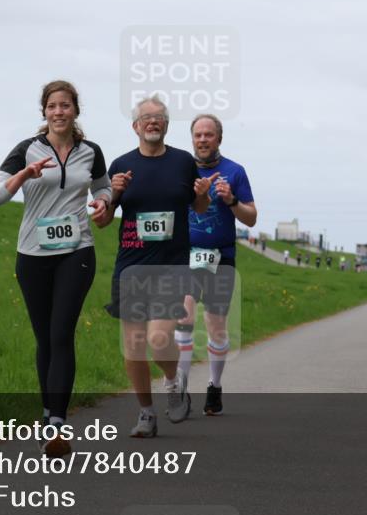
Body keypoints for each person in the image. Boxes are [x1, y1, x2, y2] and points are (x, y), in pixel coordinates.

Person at [0, 80, 111, 457]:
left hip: (77, 250)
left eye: (65, 105)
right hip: (33, 254)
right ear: (44, 111)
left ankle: (57, 423)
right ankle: (47, 414)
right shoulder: (27, 149)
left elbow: (102, 188)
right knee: (44, 338)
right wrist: (24, 175)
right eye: (52, 106)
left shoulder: (91, 152)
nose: (59, 112)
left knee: (61, 334)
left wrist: (104, 202)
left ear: (76, 110)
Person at [97, 96, 215, 437]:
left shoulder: (182, 162)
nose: (153, 121)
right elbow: (102, 220)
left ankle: (173, 381)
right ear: (135, 126)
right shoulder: (121, 165)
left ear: (166, 125)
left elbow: (200, 207)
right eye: (146, 117)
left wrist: (203, 193)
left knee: (159, 338)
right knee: (134, 345)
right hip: (131, 266)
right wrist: (112, 195)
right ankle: (146, 413)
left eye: (159, 117)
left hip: (172, 266)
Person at [173, 114, 257, 417]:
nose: (203, 140)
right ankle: (180, 390)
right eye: (198, 135)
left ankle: (214, 385)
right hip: (186, 255)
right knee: (183, 318)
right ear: (192, 139)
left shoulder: (235, 171)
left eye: (208, 135)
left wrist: (231, 200)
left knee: (215, 325)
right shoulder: (181, 169)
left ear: (219, 138)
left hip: (221, 256)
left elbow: (251, 218)